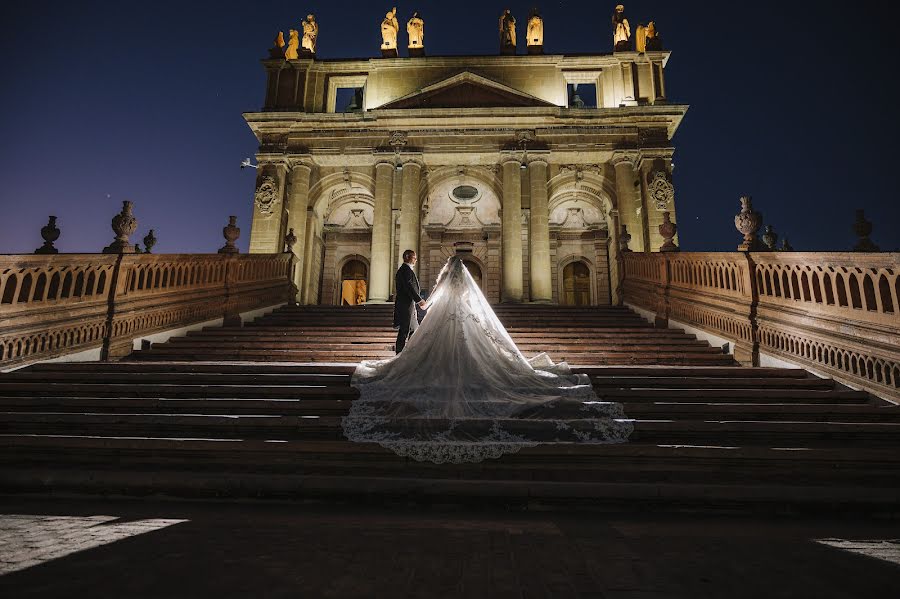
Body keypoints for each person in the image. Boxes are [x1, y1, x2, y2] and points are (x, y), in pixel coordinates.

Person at [342, 255, 633, 464]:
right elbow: (471, 301)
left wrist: (425, 305)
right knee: (469, 346)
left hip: (444, 315)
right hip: (461, 315)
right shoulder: (464, 283)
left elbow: (438, 295)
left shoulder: (445, 280)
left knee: (437, 347)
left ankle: (443, 372)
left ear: (448, 270)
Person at [393, 249, 425, 354]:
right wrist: (419, 300)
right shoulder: (405, 270)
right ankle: (399, 354)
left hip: (409, 305)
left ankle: (410, 354)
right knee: (404, 330)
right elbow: (408, 287)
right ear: (407, 257)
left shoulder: (406, 270)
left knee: (414, 330)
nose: (416, 260)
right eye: (414, 257)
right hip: (405, 306)